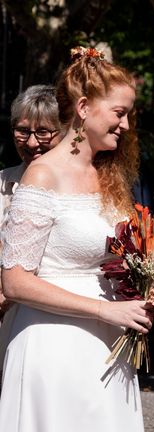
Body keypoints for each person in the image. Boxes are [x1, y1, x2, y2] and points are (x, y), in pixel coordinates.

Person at [0, 47, 154, 432]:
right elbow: (14, 282)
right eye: (119, 113)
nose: (125, 125)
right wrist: (105, 309)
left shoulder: (109, 176)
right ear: (84, 108)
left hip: (108, 346)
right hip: (54, 348)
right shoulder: (42, 175)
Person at [0, 85, 63, 389]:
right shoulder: (2, 183)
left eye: (44, 132)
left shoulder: (72, 189)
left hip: (44, 321)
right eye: (23, 131)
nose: (33, 142)